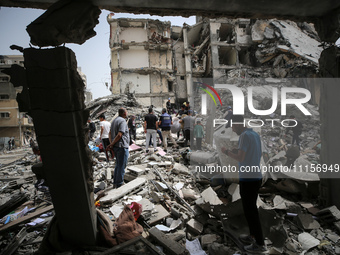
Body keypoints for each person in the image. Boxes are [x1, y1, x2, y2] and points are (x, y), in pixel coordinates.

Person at [221, 115, 267, 253]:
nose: (233, 130)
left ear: (239, 124)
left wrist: (227, 152)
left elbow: (241, 158)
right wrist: (237, 151)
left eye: (233, 126)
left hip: (248, 179)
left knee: (251, 212)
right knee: (250, 210)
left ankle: (259, 244)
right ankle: (253, 236)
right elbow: (253, 154)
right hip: (255, 176)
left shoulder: (244, 136)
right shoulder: (254, 134)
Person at [108, 108, 129, 188]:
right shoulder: (122, 121)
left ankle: (115, 182)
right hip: (122, 146)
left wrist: (111, 144)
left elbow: (110, 133)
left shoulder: (114, 121)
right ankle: (119, 183)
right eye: (126, 112)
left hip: (116, 147)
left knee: (118, 164)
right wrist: (112, 144)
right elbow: (120, 134)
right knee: (122, 165)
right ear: (124, 113)